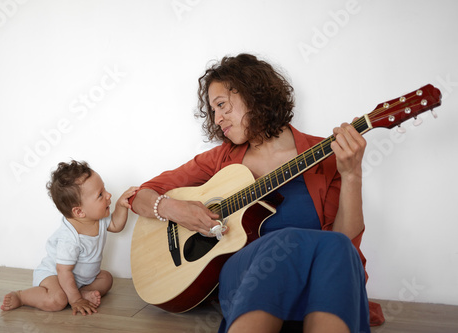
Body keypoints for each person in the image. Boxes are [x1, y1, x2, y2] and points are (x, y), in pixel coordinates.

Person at [130, 53, 383, 332]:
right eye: (213, 111)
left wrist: (351, 174)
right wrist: (179, 210)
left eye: (222, 105)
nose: (217, 119)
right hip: (247, 279)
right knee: (285, 241)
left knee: (336, 246)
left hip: (317, 284)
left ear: (254, 94)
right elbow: (140, 196)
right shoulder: (220, 161)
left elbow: (345, 240)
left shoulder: (323, 155)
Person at [1, 160, 138, 316]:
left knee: (106, 278)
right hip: (55, 275)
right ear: (79, 212)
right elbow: (63, 271)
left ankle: (81, 292)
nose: (108, 195)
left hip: (81, 279)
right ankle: (22, 296)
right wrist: (75, 300)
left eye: (104, 189)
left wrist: (121, 206)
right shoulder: (69, 238)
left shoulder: (98, 218)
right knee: (57, 300)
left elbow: (116, 225)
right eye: (100, 195)